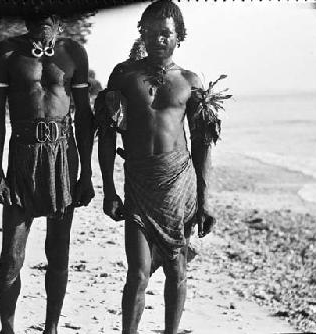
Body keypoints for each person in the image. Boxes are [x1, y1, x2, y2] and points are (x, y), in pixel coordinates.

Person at [96, 1, 218, 334]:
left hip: (180, 185)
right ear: (142, 34)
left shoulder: (191, 81)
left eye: (165, 33)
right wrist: (108, 189)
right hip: (138, 183)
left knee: (177, 270)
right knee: (137, 272)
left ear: (179, 36)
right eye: (150, 32)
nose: (158, 39)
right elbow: (105, 135)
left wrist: (206, 200)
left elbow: (203, 143)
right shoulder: (124, 75)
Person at [0, 13, 95, 334]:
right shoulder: (7, 51)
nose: (44, 17)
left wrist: (86, 173)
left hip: (64, 153)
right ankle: (7, 329)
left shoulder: (73, 52)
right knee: (11, 255)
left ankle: (51, 329)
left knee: (59, 249)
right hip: (22, 154)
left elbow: (84, 116)